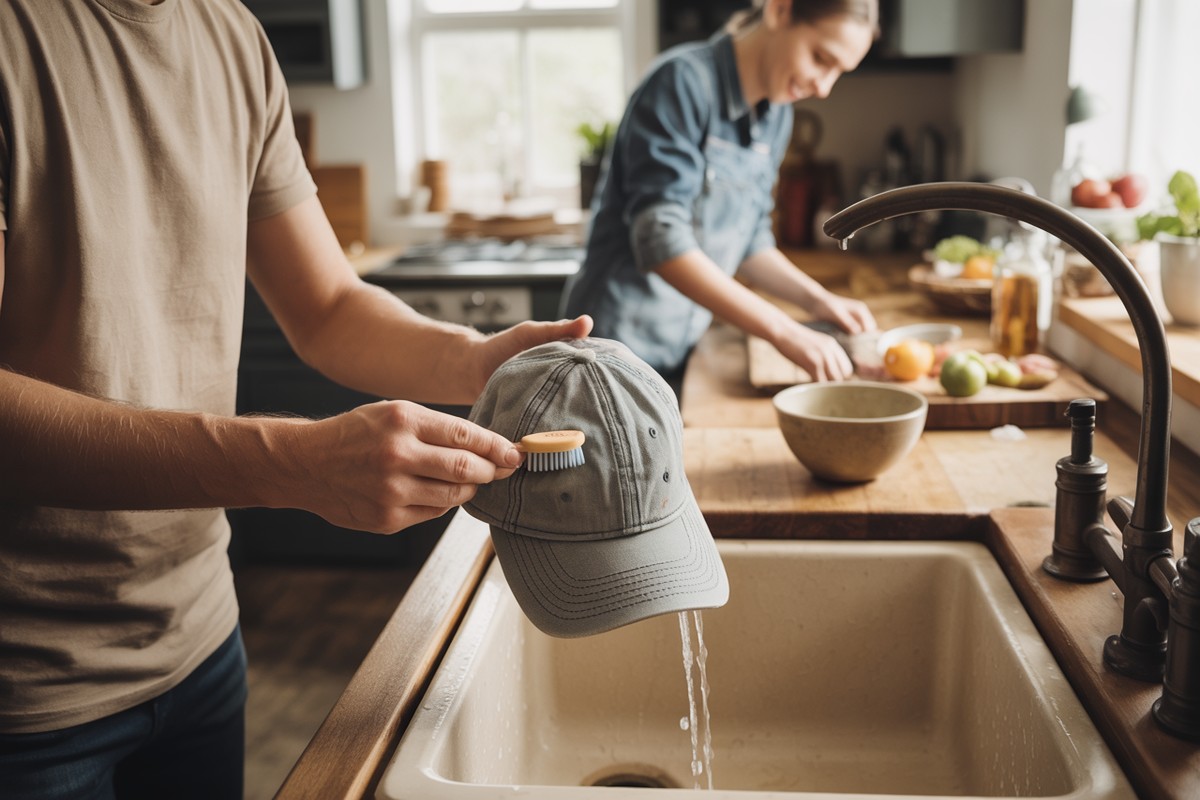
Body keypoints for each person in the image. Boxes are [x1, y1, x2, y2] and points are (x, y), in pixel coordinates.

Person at [0, 1, 590, 797]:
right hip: (26, 692)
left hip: (199, 641)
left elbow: (328, 306)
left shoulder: (232, 36)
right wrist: (293, 464)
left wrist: (475, 360)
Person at [563, 0, 879, 392]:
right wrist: (783, 330)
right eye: (820, 59)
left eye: (839, 72)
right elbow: (660, 240)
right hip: (609, 353)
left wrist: (818, 300)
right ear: (780, 10)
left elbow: (750, 240)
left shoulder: (777, 114)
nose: (824, 87)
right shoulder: (680, 83)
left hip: (681, 349)